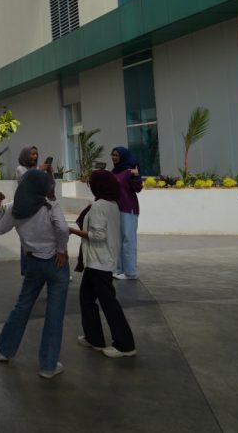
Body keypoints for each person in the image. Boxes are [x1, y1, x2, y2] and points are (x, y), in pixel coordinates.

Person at [0, 169, 71, 379]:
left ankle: (4, 350)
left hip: (33, 263)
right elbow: (63, 229)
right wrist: (61, 249)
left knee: (23, 305)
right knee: (55, 313)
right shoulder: (50, 205)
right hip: (56, 263)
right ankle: (48, 366)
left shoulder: (15, 208)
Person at [69, 170, 137, 358]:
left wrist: (72, 231)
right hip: (100, 261)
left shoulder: (99, 206)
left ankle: (125, 345)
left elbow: (98, 235)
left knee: (108, 304)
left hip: (99, 262)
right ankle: (94, 338)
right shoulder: (113, 204)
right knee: (87, 299)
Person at [110, 146, 142, 280]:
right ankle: (119, 269)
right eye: (112, 155)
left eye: (116, 155)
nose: (114, 157)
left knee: (128, 240)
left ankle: (130, 272)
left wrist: (136, 176)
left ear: (122, 156)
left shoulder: (130, 171)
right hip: (116, 209)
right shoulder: (113, 172)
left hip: (128, 209)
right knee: (118, 241)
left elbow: (138, 188)